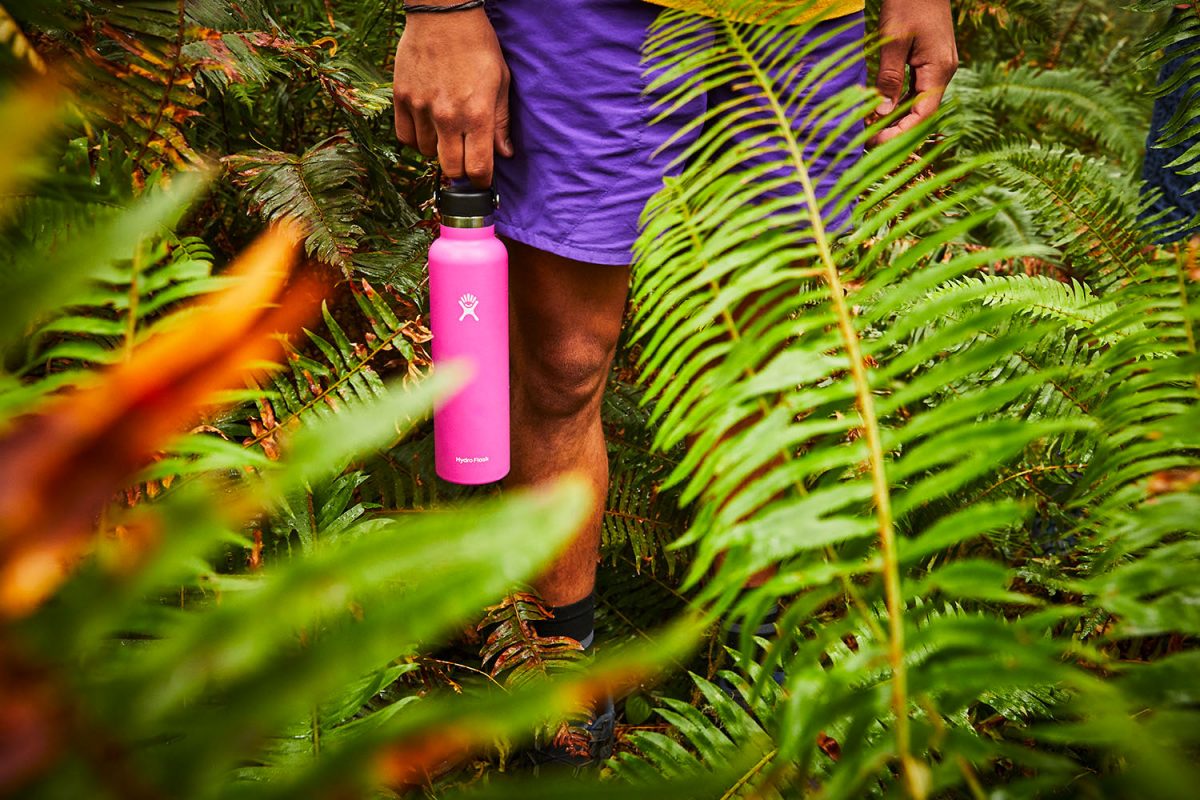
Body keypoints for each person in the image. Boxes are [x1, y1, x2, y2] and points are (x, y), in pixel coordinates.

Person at [393, 0, 957, 762]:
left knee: (752, 358)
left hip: (803, 21)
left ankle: (760, 683)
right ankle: (560, 704)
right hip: (582, 17)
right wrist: (441, 10)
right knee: (563, 369)